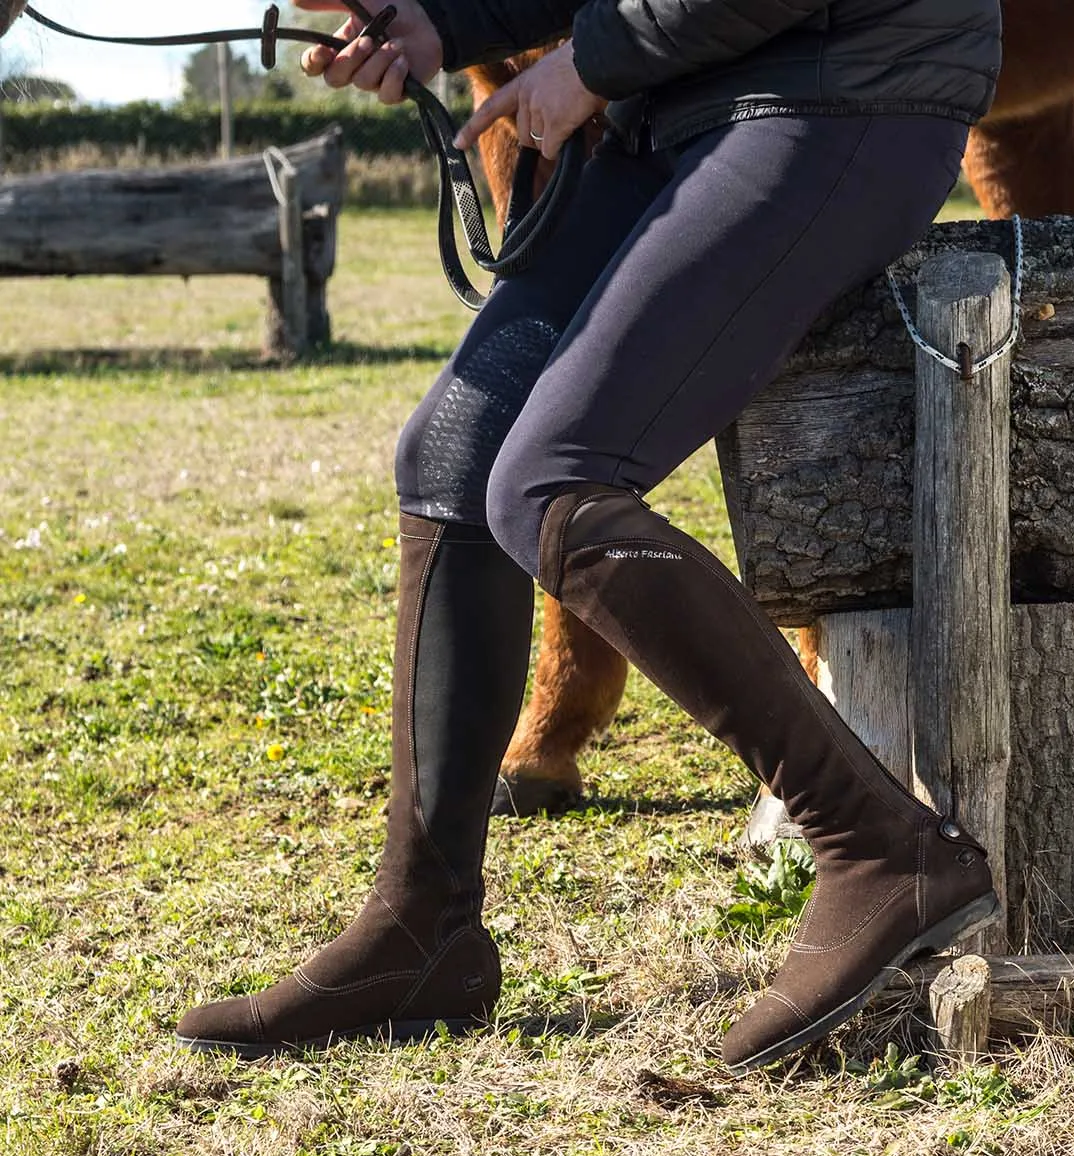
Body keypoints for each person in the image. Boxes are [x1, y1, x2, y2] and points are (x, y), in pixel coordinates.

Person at [173, 0, 1001, 1072]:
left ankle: (879, 843)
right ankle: (425, 926)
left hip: (842, 85)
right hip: (674, 106)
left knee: (548, 481)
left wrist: (593, 62)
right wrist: (440, 22)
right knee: (450, 462)